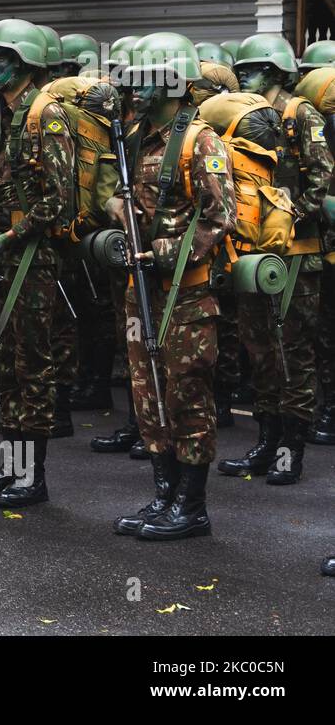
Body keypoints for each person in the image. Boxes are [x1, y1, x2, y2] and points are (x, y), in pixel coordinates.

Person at [111, 33, 234, 540]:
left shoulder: (200, 141)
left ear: (176, 83)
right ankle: (163, 495)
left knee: (186, 395)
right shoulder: (138, 135)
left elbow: (220, 215)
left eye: (148, 79)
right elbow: (120, 197)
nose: (137, 89)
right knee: (147, 393)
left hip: (186, 292)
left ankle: (192, 505)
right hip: (142, 289)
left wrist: (161, 253)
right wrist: (116, 210)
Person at [0, 19, 74, 507]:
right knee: (2, 360)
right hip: (0, 248)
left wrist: (13, 234)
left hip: (32, 254)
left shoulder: (45, 114)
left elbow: (60, 199)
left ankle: (34, 475)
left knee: (33, 362)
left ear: (25, 65)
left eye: (2, 59)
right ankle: (10, 467)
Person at [217, 34, 333, 485]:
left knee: (293, 355)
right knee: (259, 350)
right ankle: (266, 443)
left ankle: (289, 452)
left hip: (297, 256)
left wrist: (291, 213)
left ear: (279, 72)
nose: (245, 74)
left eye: (257, 67)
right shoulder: (241, 116)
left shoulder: (299, 114)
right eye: (243, 67)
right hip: (253, 253)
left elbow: (321, 177)